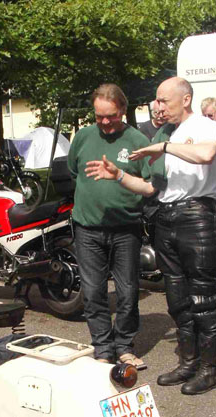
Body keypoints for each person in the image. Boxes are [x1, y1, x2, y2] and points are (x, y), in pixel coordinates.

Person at [85, 77, 216, 395]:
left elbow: (205, 154)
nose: (157, 106)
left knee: (202, 298)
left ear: (185, 99)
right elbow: (150, 187)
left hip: (196, 216)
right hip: (166, 216)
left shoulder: (203, 125)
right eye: (157, 101)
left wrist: (163, 147)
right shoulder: (165, 132)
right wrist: (118, 175)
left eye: (163, 100)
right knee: (177, 300)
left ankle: (210, 367)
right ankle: (189, 362)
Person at [67, 83, 150, 368]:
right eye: (99, 116)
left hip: (126, 229)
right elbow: (73, 169)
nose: (104, 122)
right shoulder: (83, 137)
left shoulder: (138, 140)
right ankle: (103, 348)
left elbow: (149, 183)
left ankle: (124, 346)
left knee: (127, 291)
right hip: (88, 228)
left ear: (123, 111)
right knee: (93, 293)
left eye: (110, 116)